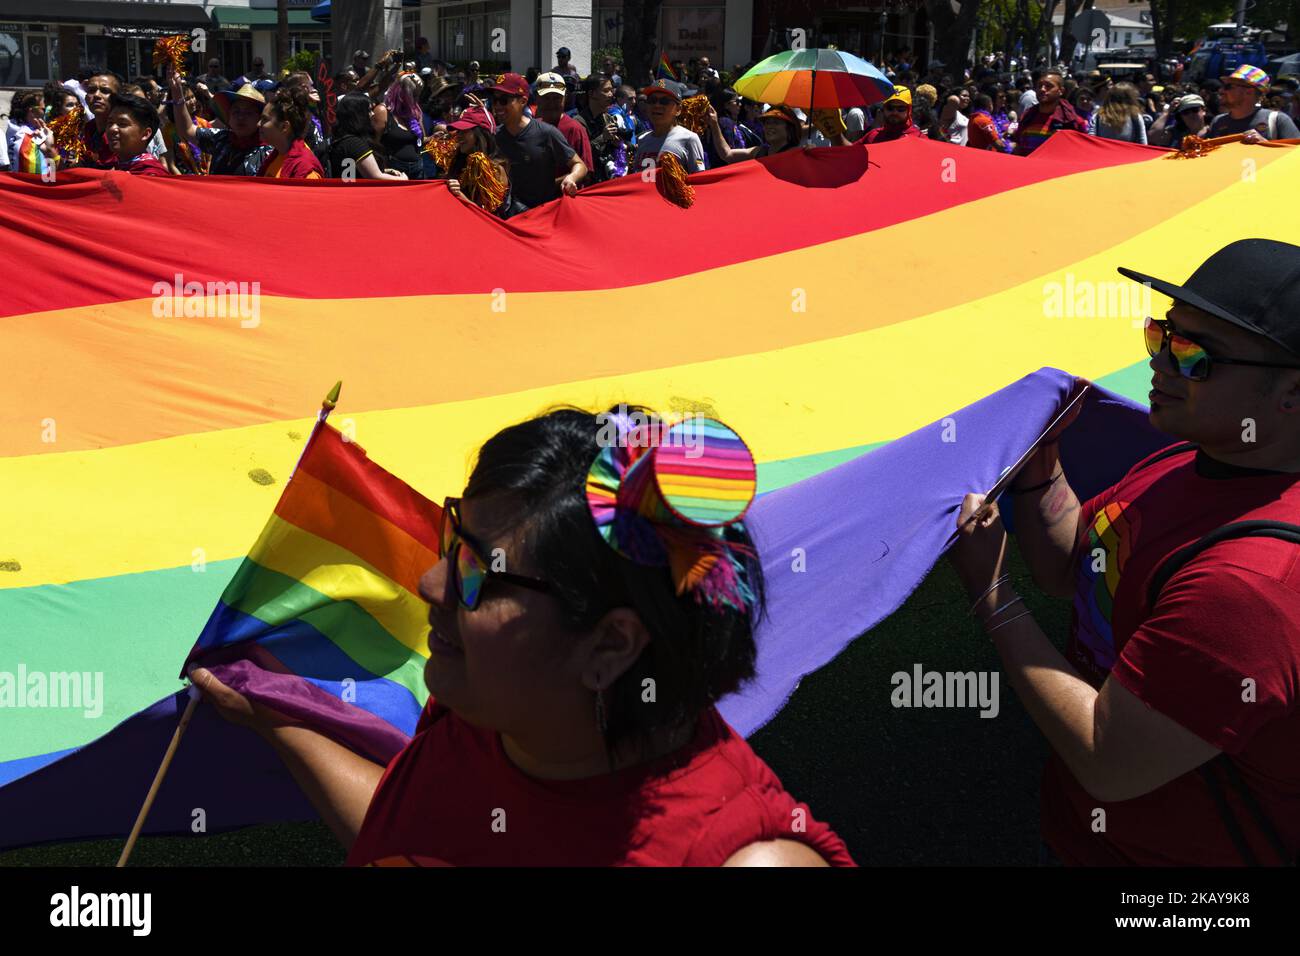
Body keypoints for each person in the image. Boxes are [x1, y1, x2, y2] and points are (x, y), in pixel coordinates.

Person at [191, 407, 856, 866]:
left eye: (481, 574)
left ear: (610, 646)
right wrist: (280, 720)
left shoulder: (744, 858)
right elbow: (420, 831)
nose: (430, 584)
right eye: (455, 544)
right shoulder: (492, 708)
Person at [949, 238, 1300, 866]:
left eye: (1197, 354)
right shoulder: (1196, 457)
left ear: (1292, 394)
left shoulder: (1251, 587)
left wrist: (992, 596)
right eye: (1162, 334)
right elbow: (1074, 569)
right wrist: (1041, 466)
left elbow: (1107, 758)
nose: (1163, 362)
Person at [488, 73, 586, 208]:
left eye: (504, 100)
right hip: (505, 218)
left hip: (541, 216)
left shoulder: (546, 133)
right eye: (494, 100)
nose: (497, 106)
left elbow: (580, 165)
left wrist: (571, 177)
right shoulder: (494, 136)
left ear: (523, 101)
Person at [170, 75, 272, 176]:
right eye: (236, 112)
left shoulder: (269, 153)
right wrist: (177, 93)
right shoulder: (221, 138)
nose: (241, 117)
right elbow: (187, 129)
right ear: (229, 117)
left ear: (260, 119)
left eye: (248, 113)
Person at [440, 106, 524, 218]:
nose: (459, 136)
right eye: (458, 131)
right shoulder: (459, 162)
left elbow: (486, 216)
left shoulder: (495, 169)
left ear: (481, 134)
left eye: (464, 131)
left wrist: (458, 194)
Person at [327, 92, 408, 180]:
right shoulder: (355, 144)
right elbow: (374, 177)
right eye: (369, 110)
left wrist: (384, 171)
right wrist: (402, 179)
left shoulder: (344, 140)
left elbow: (352, 173)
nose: (373, 114)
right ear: (358, 114)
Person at [631, 79, 706, 174]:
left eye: (664, 101)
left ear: (678, 110)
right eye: (652, 100)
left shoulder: (689, 139)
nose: (657, 105)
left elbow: (699, 179)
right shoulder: (642, 140)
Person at [1208, 65, 1300, 142]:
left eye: (1228, 87)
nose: (1221, 91)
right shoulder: (1218, 122)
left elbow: (1296, 156)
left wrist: (1265, 145)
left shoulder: (1277, 120)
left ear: (1249, 92)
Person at [1011, 70, 1088, 156]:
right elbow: (1018, 145)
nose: (1042, 89)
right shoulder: (1027, 117)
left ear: (1061, 91)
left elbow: (1082, 151)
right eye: (1039, 86)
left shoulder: (1074, 122)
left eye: (1048, 86)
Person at [256, 88, 325, 179]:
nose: (258, 124)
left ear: (284, 127)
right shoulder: (275, 157)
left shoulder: (306, 171)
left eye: (265, 119)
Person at [573, 74, 630, 182]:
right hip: (590, 183)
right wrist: (602, 138)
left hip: (607, 180)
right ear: (591, 93)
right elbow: (580, 158)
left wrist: (618, 144)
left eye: (611, 90)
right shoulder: (579, 123)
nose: (611, 95)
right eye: (606, 91)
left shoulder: (608, 118)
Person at [534, 72, 593, 175]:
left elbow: (586, 173)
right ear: (537, 98)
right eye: (546, 98)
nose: (551, 103)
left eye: (557, 98)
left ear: (565, 97)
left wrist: (551, 184)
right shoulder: (531, 128)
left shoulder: (575, 129)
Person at [705, 103, 802, 163]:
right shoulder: (759, 152)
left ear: (790, 129)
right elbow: (727, 154)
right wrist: (714, 124)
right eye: (767, 123)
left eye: (776, 123)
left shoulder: (799, 155)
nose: (769, 127)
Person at [104, 92, 170, 176]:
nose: (112, 129)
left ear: (145, 134)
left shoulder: (153, 175)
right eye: (110, 122)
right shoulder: (118, 167)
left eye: (122, 124)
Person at [380, 72, 426, 179]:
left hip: (417, 169)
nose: (416, 99)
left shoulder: (415, 112)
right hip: (395, 171)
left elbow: (421, 139)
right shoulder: (383, 111)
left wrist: (435, 138)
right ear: (401, 93)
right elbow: (374, 144)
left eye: (418, 95)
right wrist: (384, 168)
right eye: (413, 95)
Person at [78, 72, 121, 168]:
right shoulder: (88, 129)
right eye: (91, 90)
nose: (97, 95)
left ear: (118, 97)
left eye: (105, 91)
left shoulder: (124, 132)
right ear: (86, 98)